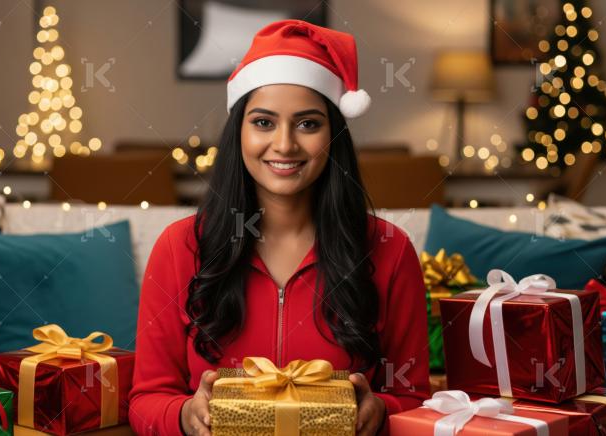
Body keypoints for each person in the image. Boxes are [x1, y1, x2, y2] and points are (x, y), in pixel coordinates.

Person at [128, 19, 430, 436]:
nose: (285, 144)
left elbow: (415, 399)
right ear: (239, 132)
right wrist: (183, 416)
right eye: (264, 122)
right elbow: (145, 401)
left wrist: (382, 410)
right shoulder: (180, 246)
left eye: (308, 124)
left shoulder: (389, 249)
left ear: (334, 135)